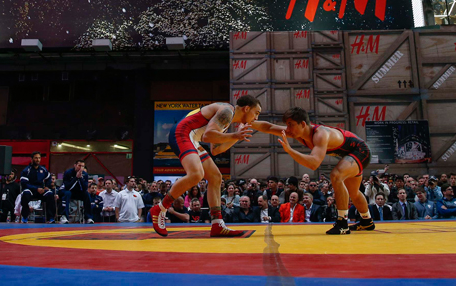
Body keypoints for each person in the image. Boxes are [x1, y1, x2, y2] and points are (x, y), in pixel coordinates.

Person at [151, 95, 261, 237]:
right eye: (256, 113)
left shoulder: (227, 119)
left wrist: (236, 136)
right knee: (196, 174)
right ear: (246, 109)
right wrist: (236, 135)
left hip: (193, 138)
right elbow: (208, 136)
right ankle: (160, 208)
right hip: (182, 133)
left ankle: (217, 224)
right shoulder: (227, 110)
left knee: (215, 177)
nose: (256, 118)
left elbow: (216, 150)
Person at [253, 107, 375, 235]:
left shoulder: (320, 134)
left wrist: (290, 150)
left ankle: (342, 223)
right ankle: (367, 221)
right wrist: (246, 122)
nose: (287, 129)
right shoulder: (299, 132)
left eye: (290, 125)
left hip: (360, 151)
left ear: (303, 124)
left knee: (336, 175)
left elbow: (313, 164)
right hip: (350, 153)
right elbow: (269, 127)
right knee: (353, 192)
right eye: (287, 125)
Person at [19, 152, 57, 223]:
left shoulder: (43, 169)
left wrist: (47, 186)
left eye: (39, 158)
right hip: (31, 190)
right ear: (32, 159)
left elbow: (49, 178)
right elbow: (24, 184)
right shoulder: (26, 170)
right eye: (36, 158)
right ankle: (25, 217)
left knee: (50, 194)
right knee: (25, 194)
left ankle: (50, 218)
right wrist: (36, 189)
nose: (38, 160)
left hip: (41, 191)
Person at [60, 159, 94, 224]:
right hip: (67, 190)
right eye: (79, 165)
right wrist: (76, 178)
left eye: (82, 166)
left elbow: (84, 188)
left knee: (86, 194)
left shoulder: (85, 174)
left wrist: (80, 178)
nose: (81, 168)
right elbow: (67, 187)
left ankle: (88, 217)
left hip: (78, 192)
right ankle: (64, 216)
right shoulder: (68, 172)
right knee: (67, 194)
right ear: (75, 165)